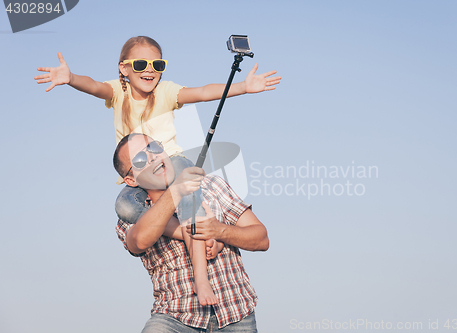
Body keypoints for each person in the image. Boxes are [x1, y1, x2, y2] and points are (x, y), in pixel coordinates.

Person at [34, 35, 280, 226]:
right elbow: (95, 87)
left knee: (189, 195)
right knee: (126, 207)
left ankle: (204, 233)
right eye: (140, 64)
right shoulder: (119, 92)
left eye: (157, 64)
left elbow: (203, 92)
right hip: (140, 172)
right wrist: (71, 78)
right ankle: (176, 230)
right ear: (124, 68)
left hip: (170, 161)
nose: (149, 70)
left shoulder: (166, 91)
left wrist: (243, 87)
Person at [113, 133, 269, 332]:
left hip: (235, 314)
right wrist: (176, 190)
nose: (153, 157)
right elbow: (141, 240)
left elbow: (261, 239)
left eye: (153, 147)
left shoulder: (211, 185)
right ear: (131, 179)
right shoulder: (130, 215)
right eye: (141, 159)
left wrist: (218, 231)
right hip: (175, 317)